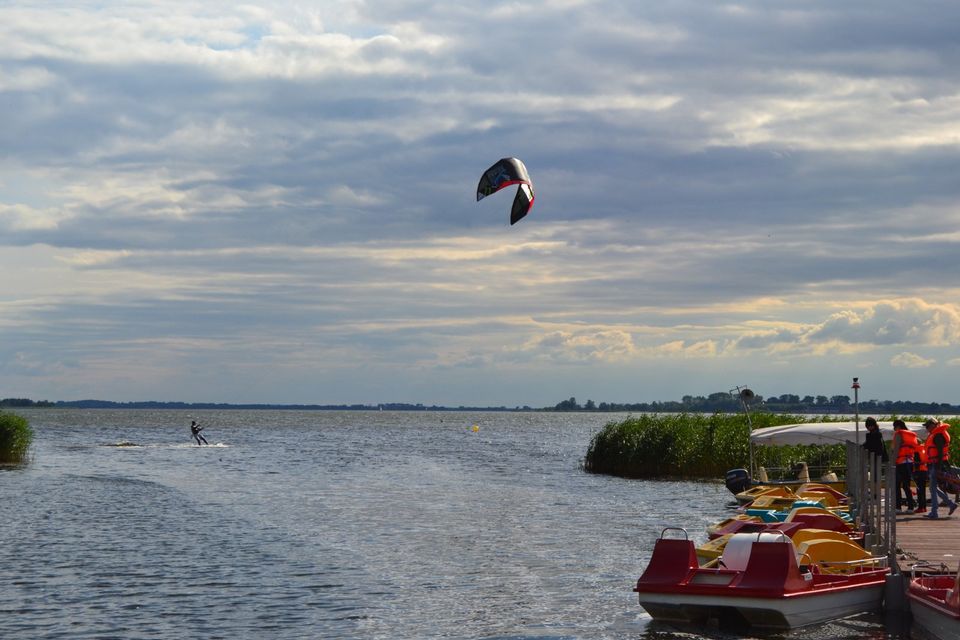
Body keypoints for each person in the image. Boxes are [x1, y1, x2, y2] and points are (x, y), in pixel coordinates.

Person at [923, 418, 956, 519]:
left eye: (928, 426)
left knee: (933, 488)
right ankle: (950, 504)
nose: (927, 428)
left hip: (936, 464)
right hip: (933, 464)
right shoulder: (935, 434)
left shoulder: (938, 435)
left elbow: (940, 453)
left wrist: (938, 468)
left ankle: (935, 512)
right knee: (933, 488)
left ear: (934, 425)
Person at [892, 420, 917, 512]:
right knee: (906, 486)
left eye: (894, 427)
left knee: (897, 485)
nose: (894, 429)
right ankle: (910, 507)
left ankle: (898, 507)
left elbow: (896, 450)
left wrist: (892, 463)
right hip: (909, 462)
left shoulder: (899, 434)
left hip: (900, 462)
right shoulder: (910, 435)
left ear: (898, 426)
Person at [913, 437, 928, 513]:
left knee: (919, 491)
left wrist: (914, 473)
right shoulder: (923, 449)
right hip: (924, 471)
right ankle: (924, 507)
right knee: (923, 490)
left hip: (919, 472)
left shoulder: (916, 451)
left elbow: (917, 462)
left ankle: (921, 507)